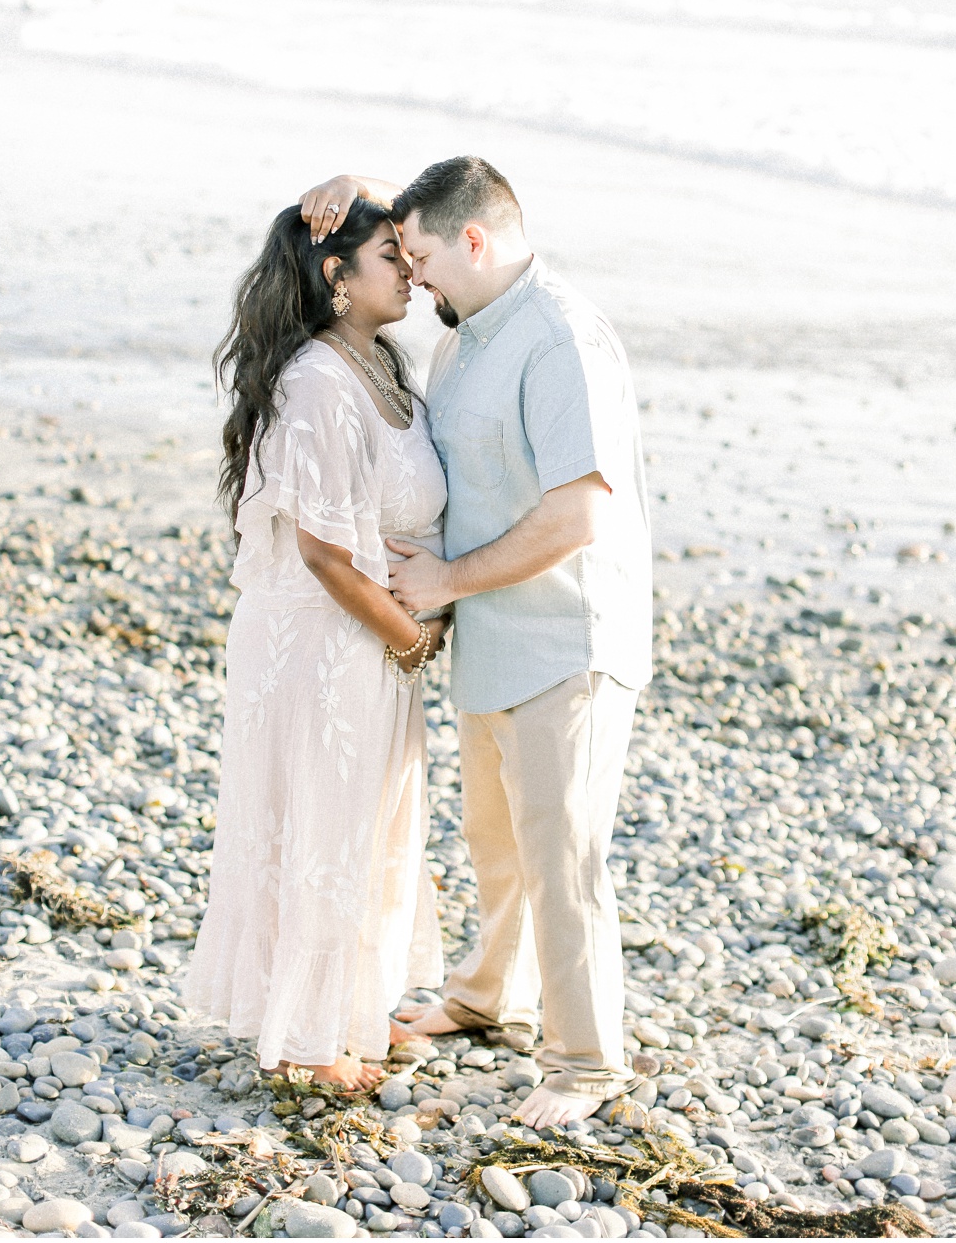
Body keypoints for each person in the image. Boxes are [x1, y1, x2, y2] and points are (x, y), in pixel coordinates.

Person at [299, 157, 653, 1128]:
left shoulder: (559, 340)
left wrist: (447, 579)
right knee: (498, 841)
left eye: (420, 257)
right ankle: (489, 993)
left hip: (568, 641)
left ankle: (585, 1062)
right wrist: (347, 187)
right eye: (398, 257)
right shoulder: (465, 341)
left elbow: (578, 512)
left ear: (477, 243)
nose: (412, 279)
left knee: (564, 852)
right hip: (491, 637)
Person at [184, 199, 451, 1090]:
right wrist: (413, 638)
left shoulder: (376, 361)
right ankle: (304, 1038)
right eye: (389, 255)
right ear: (336, 276)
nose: (411, 266)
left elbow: (381, 519)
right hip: (324, 642)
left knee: (367, 824)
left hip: (367, 641)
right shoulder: (317, 383)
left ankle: (349, 1006)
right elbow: (326, 554)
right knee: (321, 827)